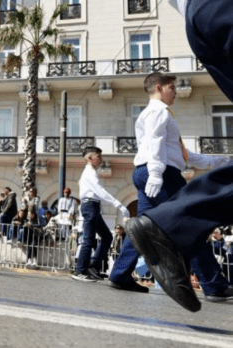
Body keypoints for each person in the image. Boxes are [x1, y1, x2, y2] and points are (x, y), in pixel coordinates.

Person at [109, 73, 231, 296]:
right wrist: (156, 173)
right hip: (162, 174)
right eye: (171, 87)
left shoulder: (155, 114)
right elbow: (154, 143)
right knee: (190, 223)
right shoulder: (158, 112)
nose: (175, 91)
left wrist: (221, 161)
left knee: (143, 228)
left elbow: (180, 153)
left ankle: (120, 273)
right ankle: (214, 284)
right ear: (159, 87)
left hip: (151, 170)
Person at [72, 146, 130, 283]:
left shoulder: (90, 172)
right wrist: (119, 205)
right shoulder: (89, 173)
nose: (101, 159)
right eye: (99, 156)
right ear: (90, 158)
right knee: (89, 240)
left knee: (107, 236)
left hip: (93, 207)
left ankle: (93, 265)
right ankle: (80, 270)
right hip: (90, 206)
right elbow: (100, 191)